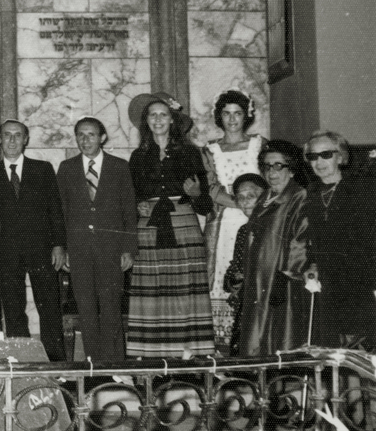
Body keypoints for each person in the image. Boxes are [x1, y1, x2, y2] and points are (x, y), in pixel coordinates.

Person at [127, 92, 214, 358]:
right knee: (152, 290)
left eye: (163, 114)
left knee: (185, 291)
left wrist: (198, 194)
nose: (158, 119)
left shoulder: (190, 153)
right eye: (152, 115)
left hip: (183, 224)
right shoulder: (137, 157)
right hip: (150, 228)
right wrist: (136, 206)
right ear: (146, 122)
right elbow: (131, 198)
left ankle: (189, 353)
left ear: (173, 120)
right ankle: (150, 353)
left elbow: (205, 205)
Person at [56, 117, 137, 364]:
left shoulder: (119, 166)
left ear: (102, 137)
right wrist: (64, 249)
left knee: (111, 307)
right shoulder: (67, 168)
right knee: (87, 310)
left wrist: (128, 249)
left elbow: (129, 210)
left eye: (91, 134)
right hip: (79, 250)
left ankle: (115, 365)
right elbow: (61, 211)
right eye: (80, 134)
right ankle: (93, 364)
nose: (85, 140)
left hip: (111, 250)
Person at [0, 119, 67, 360]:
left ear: (26, 139)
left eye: (17, 135)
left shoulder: (42, 169)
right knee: (13, 309)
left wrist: (58, 245)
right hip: (6, 251)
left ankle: (55, 365)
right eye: (7, 135)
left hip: (41, 249)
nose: (12, 140)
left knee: (49, 308)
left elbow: (56, 209)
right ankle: (21, 361)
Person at [201, 89, 267, 353]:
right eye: (226, 114)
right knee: (222, 274)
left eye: (237, 113)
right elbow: (212, 187)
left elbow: (268, 181)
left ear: (246, 116)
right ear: (219, 117)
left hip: (257, 217)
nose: (232, 119)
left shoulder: (259, 145)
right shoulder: (210, 150)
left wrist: (253, 204)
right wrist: (239, 202)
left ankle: (252, 338)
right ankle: (223, 345)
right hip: (224, 220)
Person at [303, 131, 376, 349]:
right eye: (313, 156)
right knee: (336, 348)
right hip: (328, 279)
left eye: (326, 154)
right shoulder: (311, 193)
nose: (319, 162)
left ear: (340, 157)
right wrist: (313, 263)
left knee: (363, 346)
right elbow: (313, 238)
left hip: (361, 278)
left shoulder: (363, 189)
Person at [237, 140, 309, 356]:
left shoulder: (298, 196)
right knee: (256, 332)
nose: (272, 172)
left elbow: (301, 238)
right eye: (267, 166)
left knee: (281, 335)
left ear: (292, 169)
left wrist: (288, 274)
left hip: (280, 280)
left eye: (279, 166)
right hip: (259, 279)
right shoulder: (265, 198)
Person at [222, 173, 267, 357]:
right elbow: (235, 267)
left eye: (251, 196)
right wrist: (234, 279)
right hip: (248, 301)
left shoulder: (273, 226)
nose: (245, 202)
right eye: (240, 197)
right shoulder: (243, 231)